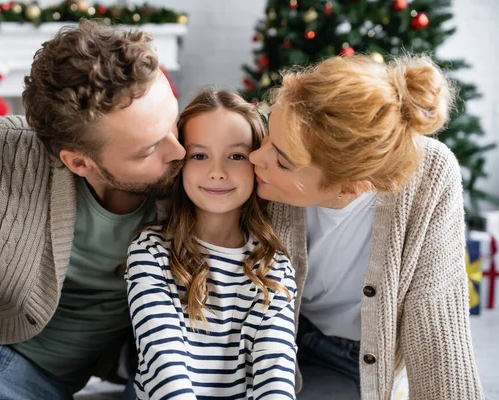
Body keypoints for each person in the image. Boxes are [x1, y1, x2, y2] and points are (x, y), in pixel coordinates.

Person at [0, 19, 185, 399]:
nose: (179, 152)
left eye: (173, 122)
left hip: (43, 384)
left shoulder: (200, 171)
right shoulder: (3, 156)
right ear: (79, 163)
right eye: (148, 150)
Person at [249, 54, 484, 399]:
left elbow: (438, 334)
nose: (256, 157)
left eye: (282, 162)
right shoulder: (257, 163)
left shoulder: (431, 177)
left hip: (354, 357)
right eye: (268, 134)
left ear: (350, 187)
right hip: (271, 344)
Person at [126, 88, 297, 399]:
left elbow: (276, 368)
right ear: (180, 163)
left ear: (256, 162)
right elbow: (162, 356)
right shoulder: (151, 250)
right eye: (199, 155)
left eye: (236, 156)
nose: (217, 173)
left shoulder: (273, 266)